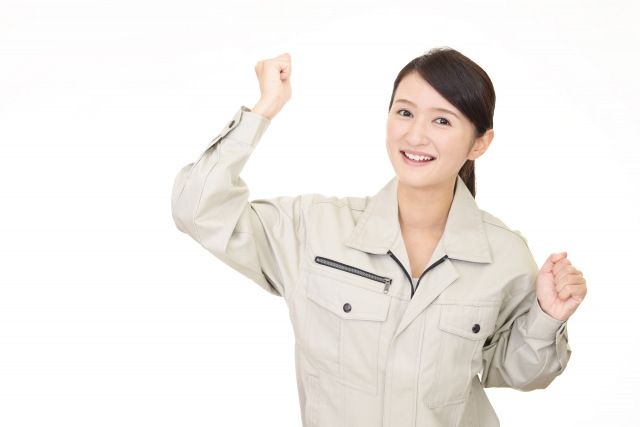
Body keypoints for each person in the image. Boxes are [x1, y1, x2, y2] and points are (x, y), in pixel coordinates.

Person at [170, 49, 587, 427]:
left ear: (480, 143)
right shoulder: (314, 229)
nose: (415, 135)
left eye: (442, 120)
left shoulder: (504, 254)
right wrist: (263, 110)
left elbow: (518, 373)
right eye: (404, 112)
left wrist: (547, 316)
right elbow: (198, 209)